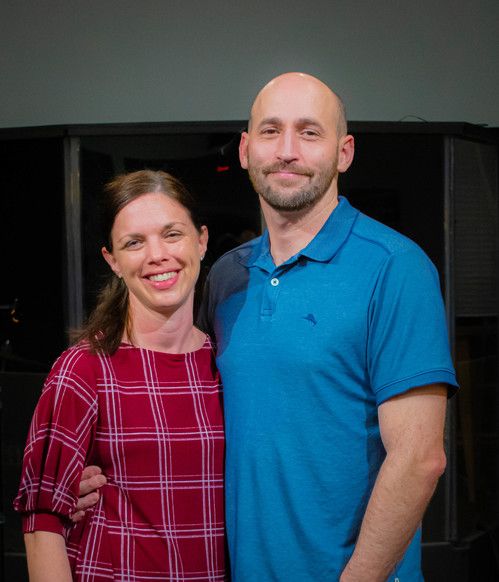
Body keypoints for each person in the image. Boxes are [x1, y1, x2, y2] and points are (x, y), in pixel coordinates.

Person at [78, 73, 458, 581]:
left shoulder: (394, 268)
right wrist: (99, 473)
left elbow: (419, 459)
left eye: (309, 132)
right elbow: (188, 412)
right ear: (244, 149)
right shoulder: (227, 277)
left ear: (344, 152)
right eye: (271, 131)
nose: (287, 150)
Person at [14, 170, 226, 581]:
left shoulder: (226, 363)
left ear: (201, 241)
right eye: (134, 242)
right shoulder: (84, 369)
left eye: (172, 234)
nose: (157, 255)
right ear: (112, 260)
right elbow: (42, 523)